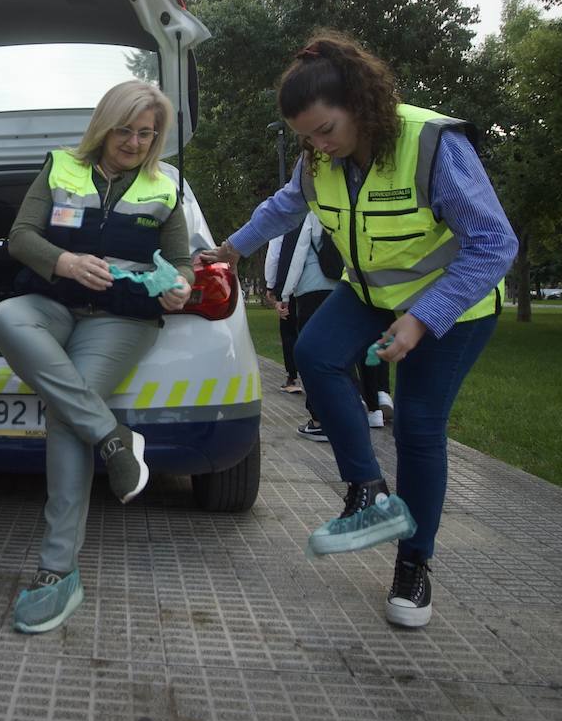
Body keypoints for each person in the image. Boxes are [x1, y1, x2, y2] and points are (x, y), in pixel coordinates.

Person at [199, 31, 517, 628]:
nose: (318, 145)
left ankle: (413, 566)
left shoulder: (431, 145)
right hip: (371, 292)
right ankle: (367, 492)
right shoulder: (319, 157)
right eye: (306, 137)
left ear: (360, 102)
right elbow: (286, 205)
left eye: (325, 130)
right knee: (316, 354)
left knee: (419, 427)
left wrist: (423, 319)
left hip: (454, 304)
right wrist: (230, 248)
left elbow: (496, 244)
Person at [0, 80, 193, 634]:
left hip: (123, 318)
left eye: (145, 133)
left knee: (64, 417)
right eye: (124, 129)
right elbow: (20, 237)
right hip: (57, 303)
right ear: (105, 125)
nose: (133, 142)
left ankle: (58, 571)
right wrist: (67, 263)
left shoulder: (166, 185)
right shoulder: (60, 167)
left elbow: (181, 262)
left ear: (156, 136)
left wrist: (181, 287)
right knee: (4, 316)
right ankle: (112, 437)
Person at [274, 212, 342, 442]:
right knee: (338, 354)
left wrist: (285, 294)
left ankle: (318, 420)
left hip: (310, 290)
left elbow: (299, 254)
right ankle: (345, 415)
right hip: (342, 290)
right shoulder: (344, 209)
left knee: (311, 354)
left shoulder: (313, 213)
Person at [265, 226, 303, 394]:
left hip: (289, 284)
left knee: (289, 331)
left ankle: (292, 377)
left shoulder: (284, 222)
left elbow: (274, 255)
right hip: (315, 283)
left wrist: (271, 284)